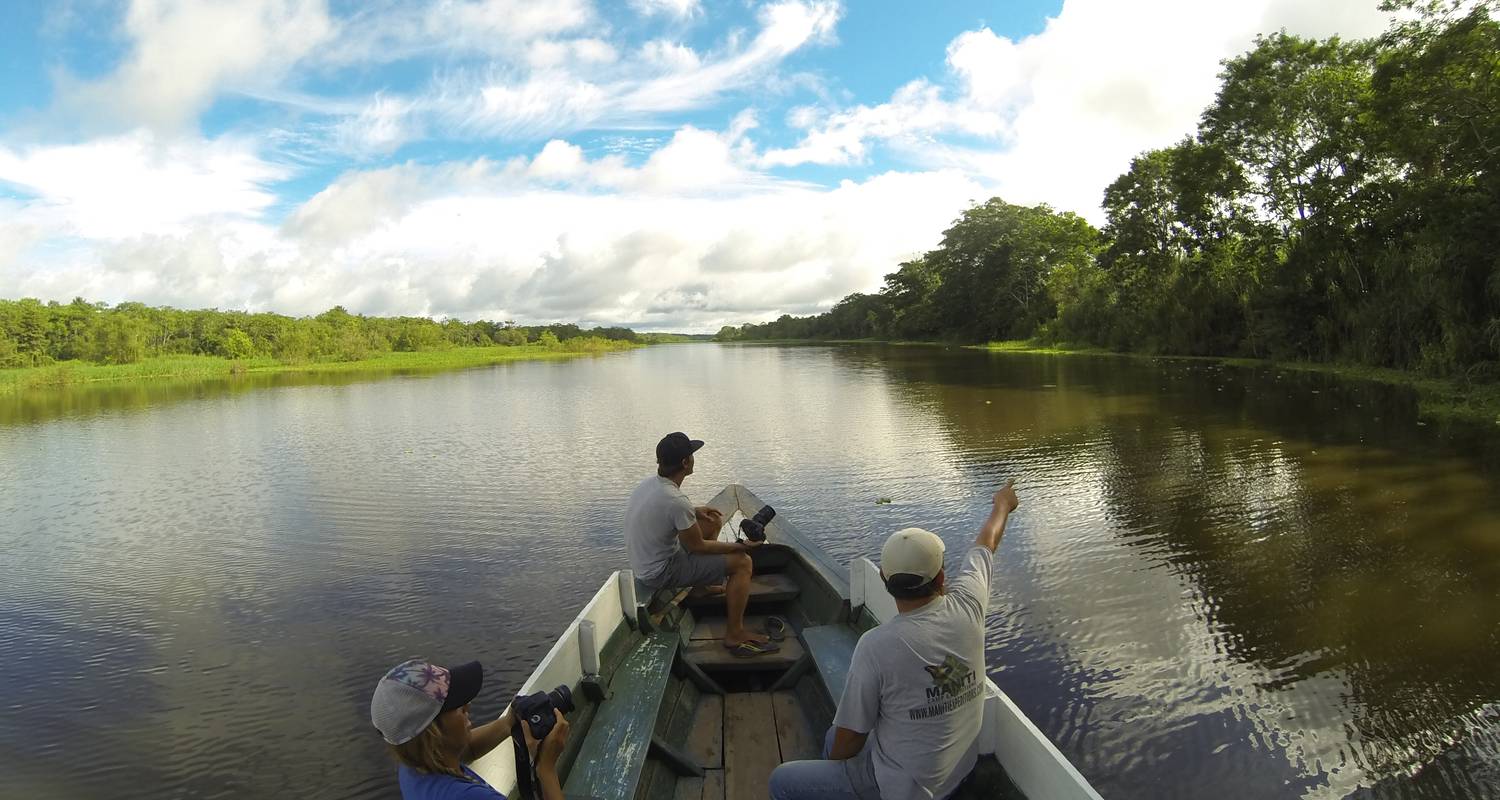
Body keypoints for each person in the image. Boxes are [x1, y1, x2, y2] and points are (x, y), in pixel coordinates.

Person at [768, 481, 1021, 800]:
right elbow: (986, 543)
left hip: (901, 789)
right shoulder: (970, 605)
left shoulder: (876, 645)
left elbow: (850, 741)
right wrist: (1002, 504)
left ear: (885, 582)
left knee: (783, 779)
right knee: (835, 737)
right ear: (942, 578)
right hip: (959, 772)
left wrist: (839, 769)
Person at [623, 431, 775, 656]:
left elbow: (663, 512)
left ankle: (700, 588)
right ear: (685, 462)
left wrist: (694, 511)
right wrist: (741, 546)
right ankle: (735, 634)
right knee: (742, 563)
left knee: (712, 520)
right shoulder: (676, 501)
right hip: (660, 571)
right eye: (692, 454)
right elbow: (698, 547)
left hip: (646, 562)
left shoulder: (649, 485)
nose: (694, 458)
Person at [371, 657, 572, 800]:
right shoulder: (468, 796)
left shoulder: (413, 766)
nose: (467, 706)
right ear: (434, 733)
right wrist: (545, 768)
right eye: (457, 706)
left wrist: (508, 722)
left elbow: (468, 749)